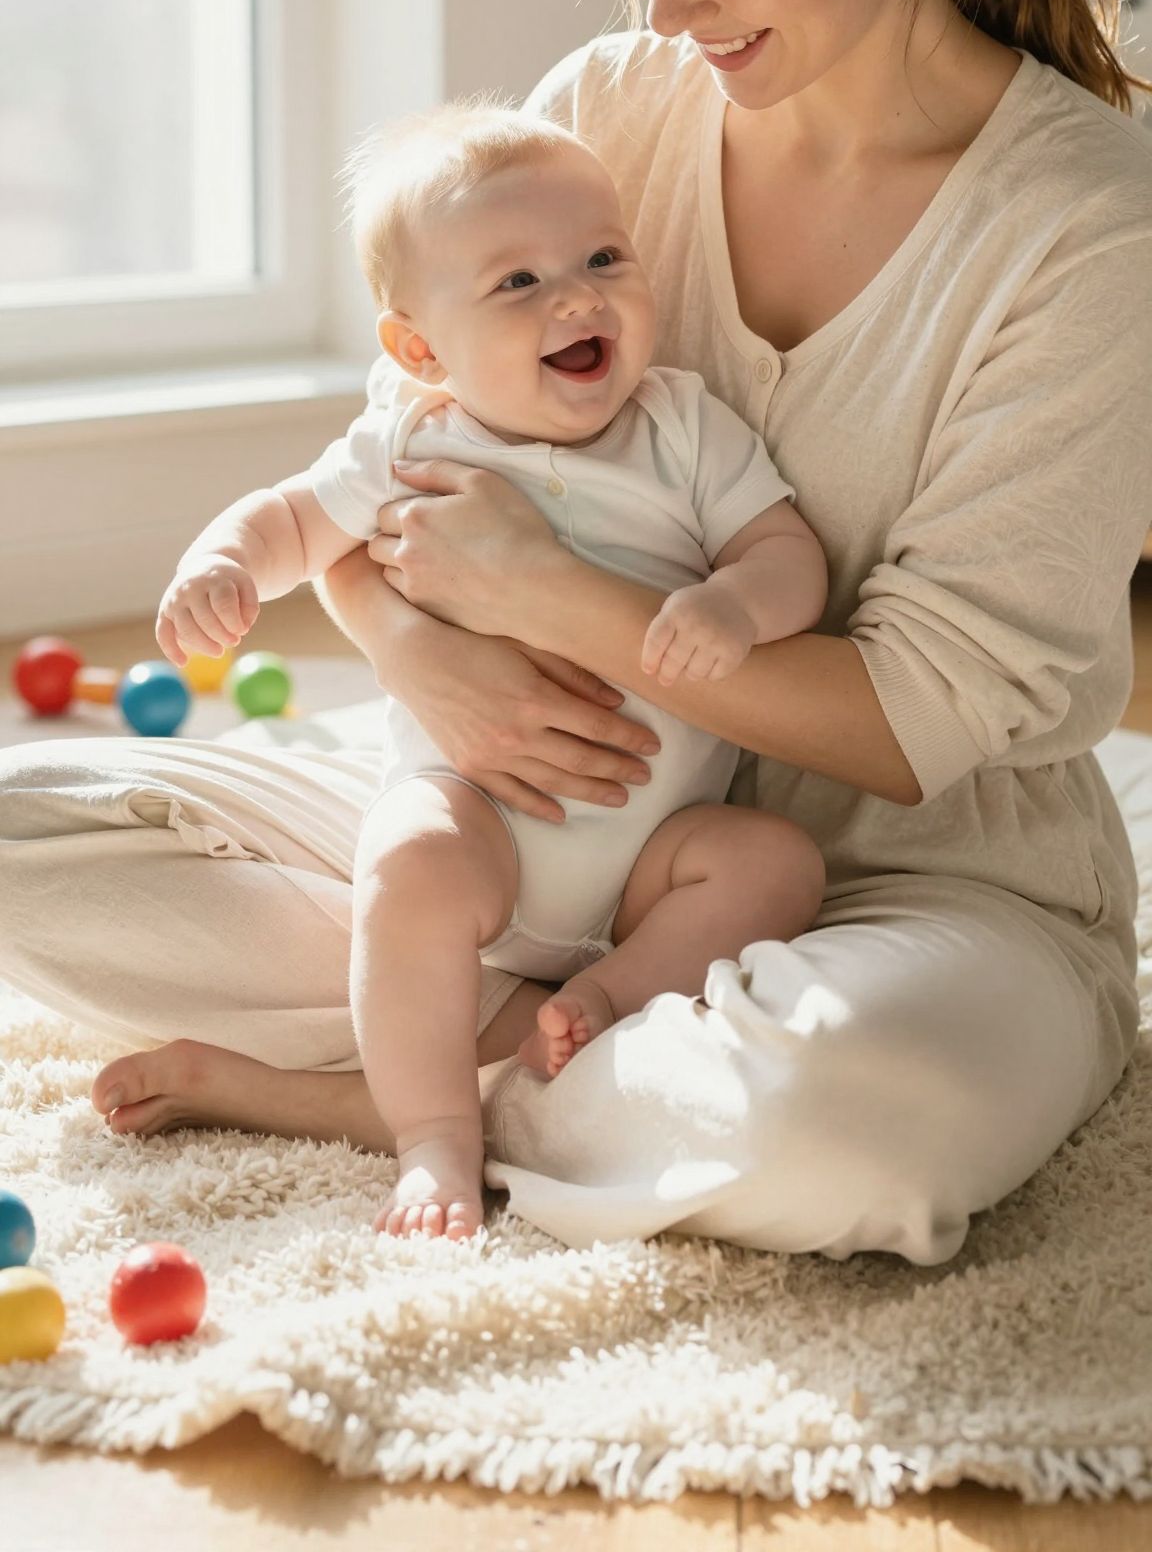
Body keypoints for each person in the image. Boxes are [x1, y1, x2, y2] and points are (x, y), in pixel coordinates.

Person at [3, 0, 1152, 1263]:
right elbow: (394, 481)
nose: (667, 4)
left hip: (915, 893)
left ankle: (403, 1091)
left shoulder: (1086, 223)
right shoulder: (607, 109)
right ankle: (534, 1060)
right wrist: (416, 652)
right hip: (532, 845)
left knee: (844, 1127)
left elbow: (919, 716)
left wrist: (554, 603)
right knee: (28, 840)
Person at [150, 99, 828, 1238]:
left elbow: (789, 555)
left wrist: (733, 601)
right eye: (517, 283)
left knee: (776, 862)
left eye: (604, 257)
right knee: (406, 856)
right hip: (483, 833)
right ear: (422, 349)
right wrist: (225, 560)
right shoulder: (415, 438)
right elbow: (293, 519)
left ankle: (596, 1001)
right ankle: (432, 1138)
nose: (577, 294)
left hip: (650, 864)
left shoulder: (681, 425)